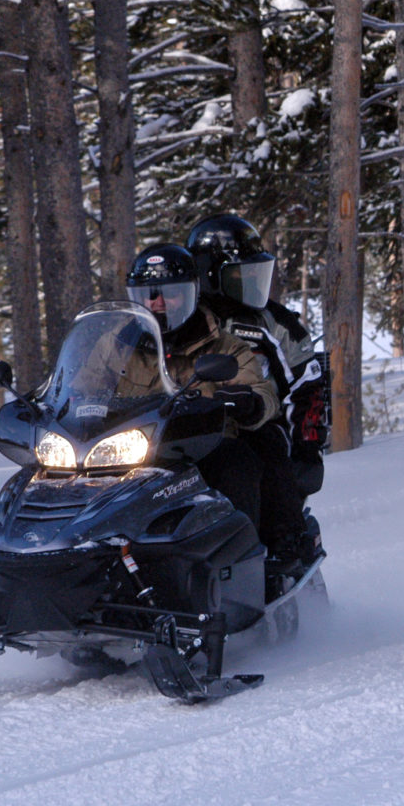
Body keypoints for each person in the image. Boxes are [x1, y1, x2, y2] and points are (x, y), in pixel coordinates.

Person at [185, 214, 327, 570]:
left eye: (254, 274)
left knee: (264, 443)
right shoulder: (180, 321)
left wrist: (305, 445)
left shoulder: (277, 325)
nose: (251, 284)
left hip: (254, 424)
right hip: (184, 429)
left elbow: (306, 386)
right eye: (241, 276)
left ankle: (283, 546)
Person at [124, 242, 279, 531]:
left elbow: (261, 390)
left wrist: (250, 402)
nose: (156, 303)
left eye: (168, 293)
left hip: (199, 449)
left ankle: (241, 548)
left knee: (237, 462)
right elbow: (82, 381)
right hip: (129, 452)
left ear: (190, 294)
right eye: (148, 294)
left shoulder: (225, 346)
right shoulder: (117, 346)